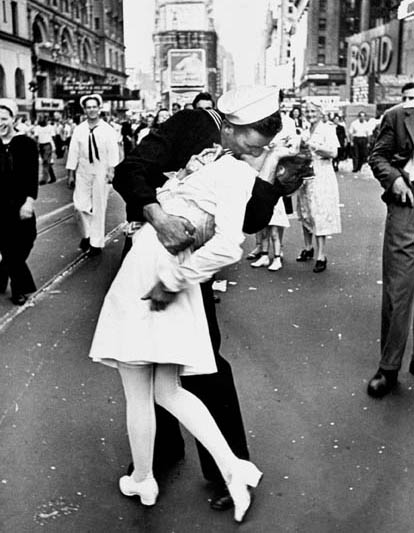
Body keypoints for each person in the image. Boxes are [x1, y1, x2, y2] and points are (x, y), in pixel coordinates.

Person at [112, 85, 304, 511]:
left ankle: (225, 468)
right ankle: (157, 454)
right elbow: (130, 171)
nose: (259, 147)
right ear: (234, 126)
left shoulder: (256, 154)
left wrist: (268, 174)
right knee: (146, 358)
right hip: (151, 252)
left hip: (191, 267)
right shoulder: (192, 124)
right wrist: (157, 216)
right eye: (256, 138)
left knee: (203, 362)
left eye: (268, 141)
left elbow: (251, 220)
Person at [366, 81, 414, 398]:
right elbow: (377, 156)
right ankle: (389, 368)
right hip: (407, 207)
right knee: (398, 290)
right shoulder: (398, 116)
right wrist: (395, 179)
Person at [66, 94, 120, 255]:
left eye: (94, 107)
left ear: (99, 108)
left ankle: (96, 243)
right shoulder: (79, 129)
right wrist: (70, 174)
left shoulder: (107, 130)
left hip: (101, 170)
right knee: (80, 206)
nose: (91, 110)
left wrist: (111, 171)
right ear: (84, 110)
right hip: (83, 171)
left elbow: (113, 152)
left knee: (99, 206)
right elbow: (73, 152)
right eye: (88, 107)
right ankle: (87, 234)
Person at [0, 98, 38, 305]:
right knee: (7, 246)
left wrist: (29, 202)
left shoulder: (26, 144)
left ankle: (3, 271)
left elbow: (32, 176)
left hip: (20, 203)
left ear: (13, 119)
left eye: (4, 118)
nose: (0, 123)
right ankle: (19, 289)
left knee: (25, 241)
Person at [296, 102, 341, 273]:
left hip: (322, 174)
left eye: (313, 111)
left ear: (320, 113)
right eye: (307, 111)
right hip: (306, 175)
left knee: (319, 213)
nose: (309, 113)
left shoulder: (327, 129)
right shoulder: (306, 129)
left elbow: (333, 153)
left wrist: (313, 146)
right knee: (305, 211)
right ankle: (308, 247)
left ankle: (321, 255)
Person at [33, 118, 56, 185]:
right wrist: (37, 146)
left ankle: (44, 179)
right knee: (46, 162)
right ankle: (53, 177)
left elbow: (53, 137)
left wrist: (53, 146)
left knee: (45, 162)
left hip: (47, 145)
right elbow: (36, 137)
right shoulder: (37, 128)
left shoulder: (50, 127)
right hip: (41, 145)